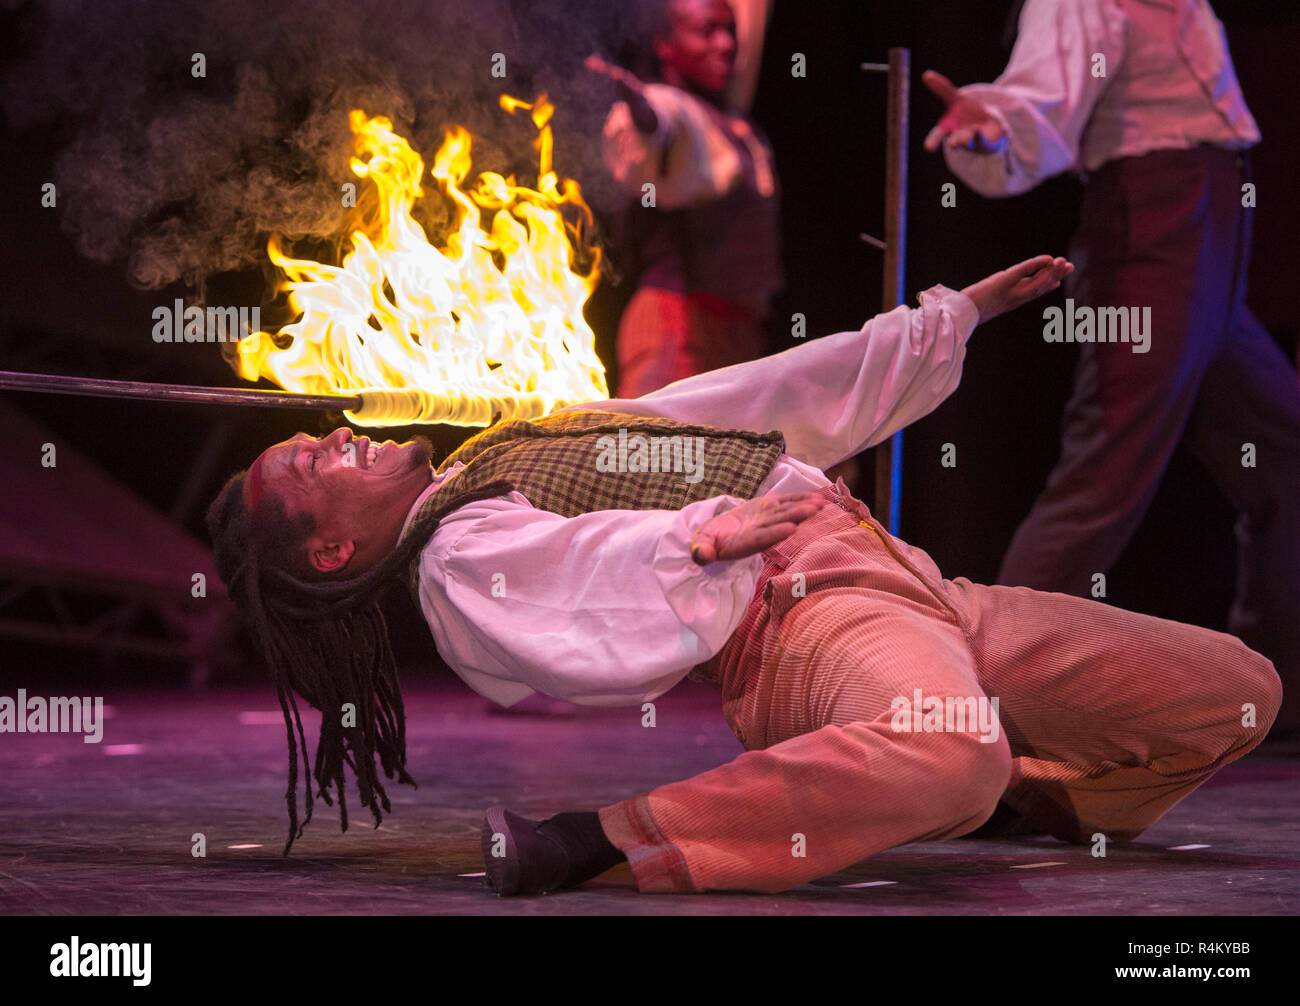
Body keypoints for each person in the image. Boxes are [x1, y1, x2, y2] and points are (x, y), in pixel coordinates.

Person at [206, 254, 1281, 896]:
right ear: (333, 550)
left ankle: (1003, 796)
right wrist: (698, 542)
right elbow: (573, 591)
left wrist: (948, 320)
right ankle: (607, 840)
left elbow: (748, 398)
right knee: (953, 743)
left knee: (1239, 690)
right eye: (307, 464)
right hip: (802, 620)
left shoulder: (509, 445)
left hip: (915, 584)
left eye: (314, 437)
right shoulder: (456, 559)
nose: (329, 435)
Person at [922, 0, 1300, 729]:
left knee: (1285, 455)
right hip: (1152, 227)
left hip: (1214, 223)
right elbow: (1040, 98)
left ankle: (1264, 699)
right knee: (1108, 469)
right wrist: (995, 126)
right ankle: (986, 703)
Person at [589, 0, 782, 399]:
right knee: (657, 457)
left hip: (738, 332)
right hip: (676, 327)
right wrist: (641, 110)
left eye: (729, 31)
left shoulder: (735, 122)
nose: (726, 43)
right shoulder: (673, 108)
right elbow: (661, 123)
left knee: (723, 460)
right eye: (706, 31)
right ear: (666, 45)